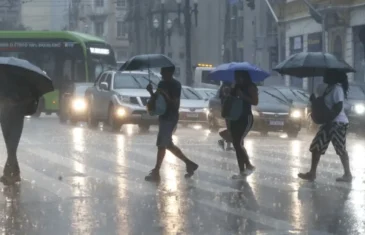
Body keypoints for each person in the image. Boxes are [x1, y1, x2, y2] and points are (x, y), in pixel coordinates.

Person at [145, 66, 199, 181]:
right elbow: (157, 99)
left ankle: (156, 171)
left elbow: (174, 103)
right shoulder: (161, 84)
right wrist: (151, 92)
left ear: (169, 72)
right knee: (167, 144)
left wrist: (165, 95)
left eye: (163, 72)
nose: (161, 74)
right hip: (163, 116)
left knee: (161, 144)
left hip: (171, 117)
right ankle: (189, 164)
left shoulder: (176, 85)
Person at [298, 71, 352, 182]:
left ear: (333, 76)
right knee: (316, 146)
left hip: (338, 123)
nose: (324, 76)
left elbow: (338, 107)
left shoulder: (337, 89)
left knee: (340, 148)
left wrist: (330, 121)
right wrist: (314, 100)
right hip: (328, 123)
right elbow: (324, 105)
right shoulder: (328, 88)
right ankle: (312, 173)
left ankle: (348, 174)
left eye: (327, 74)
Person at [0, 72, 38, 185]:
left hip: (13, 116)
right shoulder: (21, 81)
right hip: (7, 116)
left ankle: (10, 174)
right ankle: (13, 174)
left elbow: (29, 98)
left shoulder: (21, 84)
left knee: (12, 147)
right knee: (10, 146)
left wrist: (13, 101)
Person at [228, 70, 258, 179]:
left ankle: (249, 165)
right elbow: (230, 99)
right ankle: (242, 170)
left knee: (238, 142)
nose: (237, 79)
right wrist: (230, 91)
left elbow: (255, 101)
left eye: (239, 77)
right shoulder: (235, 86)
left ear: (244, 77)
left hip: (245, 117)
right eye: (236, 77)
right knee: (237, 144)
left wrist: (243, 96)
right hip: (235, 117)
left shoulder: (250, 87)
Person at [218, 82, 234, 151]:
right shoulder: (227, 86)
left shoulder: (226, 86)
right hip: (229, 113)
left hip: (231, 113)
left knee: (231, 129)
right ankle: (224, 142)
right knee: (231, 129)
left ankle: (227, 144)